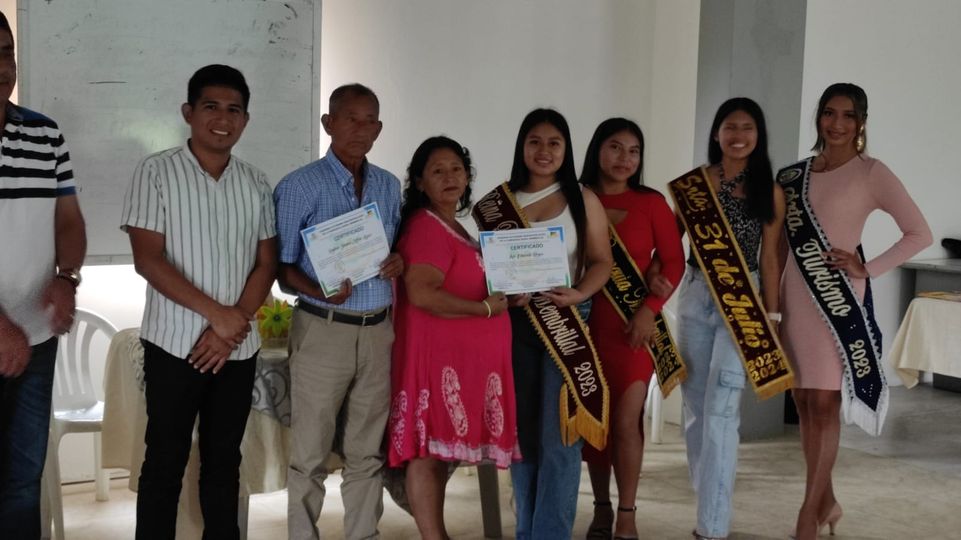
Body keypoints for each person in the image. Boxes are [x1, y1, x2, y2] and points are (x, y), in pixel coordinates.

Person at [121, 64, 278, 539]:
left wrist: (232, 326)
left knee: (224, 462)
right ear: (188, 112)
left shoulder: (256, 182)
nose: (222, 119)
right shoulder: (155, 171)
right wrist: (218, 316)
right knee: (164, 461)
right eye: (211, 106)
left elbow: (266, 264)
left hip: (237, 349)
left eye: (234, 110)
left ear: (245, 120)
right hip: (174, 345)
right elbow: (148, 259)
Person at [779, 83, 931, 540]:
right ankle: (826, 501)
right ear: (819, 118)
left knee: (825, 402)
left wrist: (867, 268)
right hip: (794, 297)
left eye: (848, 115)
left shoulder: (872, 173)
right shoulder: (794, 175)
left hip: (838, 302)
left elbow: (919, 233)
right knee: (804, 400)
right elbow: (780, 244)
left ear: (861, 122)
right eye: (829, 113)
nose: (837, 124)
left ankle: (808, 512)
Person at [275, 83, 404, 540]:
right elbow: (282, 269)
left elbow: (394, 251)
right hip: (323, 328)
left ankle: (363, 534)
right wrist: (318, 290)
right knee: (309, 452)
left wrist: (398, 261)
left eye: (370, 121)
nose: (360, 129)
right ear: (328, 123)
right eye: (350, 118)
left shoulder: (389, 185)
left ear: (379, 128)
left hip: (377, 331)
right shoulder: (298, 186)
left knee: (366, 451)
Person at [387, 136, 518, 539]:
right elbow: (423, 293)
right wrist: (485, 310)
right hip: (434, 362)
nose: (449, 177)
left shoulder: (454, 226)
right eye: (438, 171)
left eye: (457, 169)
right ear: (420, 182)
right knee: (427, 452)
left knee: (436, 452)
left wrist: (509, 296)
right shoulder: (426, 227)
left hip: (458, 365)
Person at [496, 108, 613, 539]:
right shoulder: (499, 203)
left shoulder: (583, 197)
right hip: (514, 325)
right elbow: (489, 269)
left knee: (561, 440)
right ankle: (526, 531)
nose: (544, 151)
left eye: (554, 143)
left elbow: (602, 262)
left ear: (566, 149)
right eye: (535, 142)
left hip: (567, 324)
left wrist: (580, 293)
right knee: (523, 439)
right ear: (522, 147)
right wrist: (507, 293)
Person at [673, 98, 785, 540]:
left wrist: (771, 315)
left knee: (721, 409)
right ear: (716, 133)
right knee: (696, 408)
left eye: (747, 127)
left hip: (744, 301)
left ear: (759, 135)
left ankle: (712, 526)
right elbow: (671, 242)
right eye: (730, 126)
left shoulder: (768, 190)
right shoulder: (695, 184)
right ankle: (710, 501)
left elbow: (770, 258)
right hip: (695, 294)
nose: (739, 135)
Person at [0, 10, 87, 539]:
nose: (1, 68)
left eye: (5, 53)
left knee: (23, 479)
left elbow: (69, 219)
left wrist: (67, 276)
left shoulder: (44, 134)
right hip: (7, 335)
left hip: (35, 339)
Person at [579, 118, 684, 539]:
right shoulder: (575, 198)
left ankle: (627, 512)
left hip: (634, 329)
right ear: (597, 150)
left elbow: (673, 262)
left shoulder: (651, 203)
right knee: (594, 421)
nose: (625, 158)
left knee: (626, 421)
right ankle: (601, 507)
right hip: (582, 327)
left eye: (634, 151)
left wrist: (650, 310)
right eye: (615, 147)